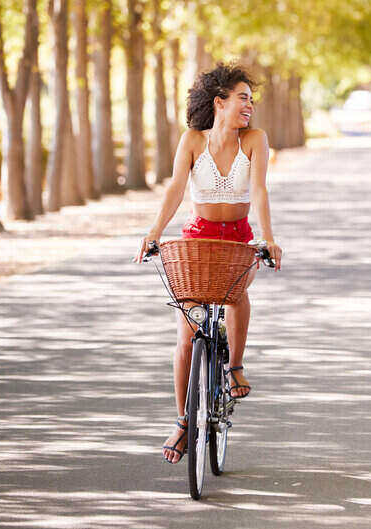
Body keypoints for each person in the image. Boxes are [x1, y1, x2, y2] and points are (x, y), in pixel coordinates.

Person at [134, 63, 282, 464]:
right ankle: (183, 421)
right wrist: (153, 232)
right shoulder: (193, 141)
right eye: (242, 98)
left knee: (236, 296)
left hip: (237, 234)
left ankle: (234, 366)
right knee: (185, 335)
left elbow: (259, 189)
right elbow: (176, 189)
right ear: (219, 102)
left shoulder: (254, 139)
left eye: (252, 100)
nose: (249, 106)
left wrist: (267, 238)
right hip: (197, 235)